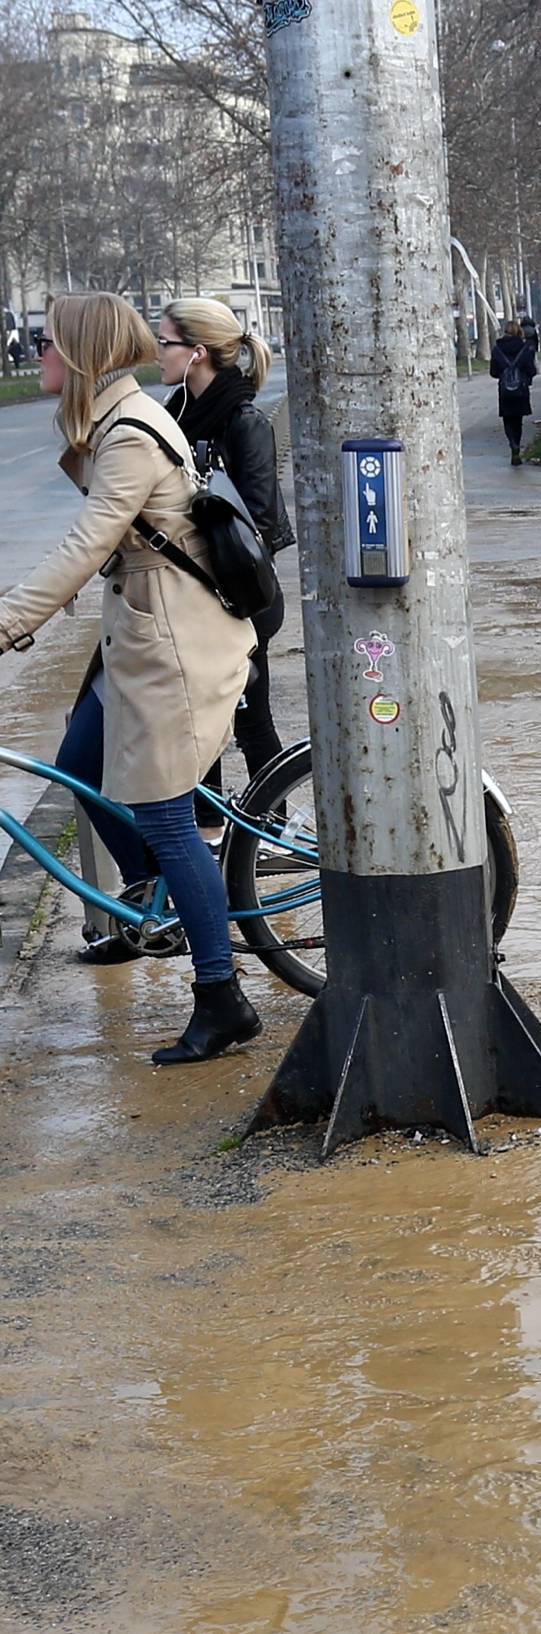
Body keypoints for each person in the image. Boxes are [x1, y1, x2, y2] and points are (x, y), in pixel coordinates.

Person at [0, 292, 259, 1064]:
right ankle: (156, 900)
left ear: (81, 354)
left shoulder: (131, 435)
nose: (36, 354)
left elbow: (84, 546)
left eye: (48, 343)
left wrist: (7, 623)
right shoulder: (112, 421)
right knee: (80, 769)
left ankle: (222, 997)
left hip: (174, 646)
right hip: (139, 637)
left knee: (168, 817)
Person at [156, 297, 293, 786]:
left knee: (251, 721)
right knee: (201, 721)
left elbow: (257, 526)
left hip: (244, 600)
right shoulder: (173, 417)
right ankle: (213, 831)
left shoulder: (244, 422)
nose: (157, 352)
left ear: (197, 352)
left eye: (165, 342)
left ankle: (272, 828)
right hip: (200, 597)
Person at [490, 316, 538, 465]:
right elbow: (531, 370)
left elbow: (493, 372)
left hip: (504, 389)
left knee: (508, 419)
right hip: (521, 388)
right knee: (518, 420)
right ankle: (517, 444)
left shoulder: (497, 349)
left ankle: (512, 443)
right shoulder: (525, 348)